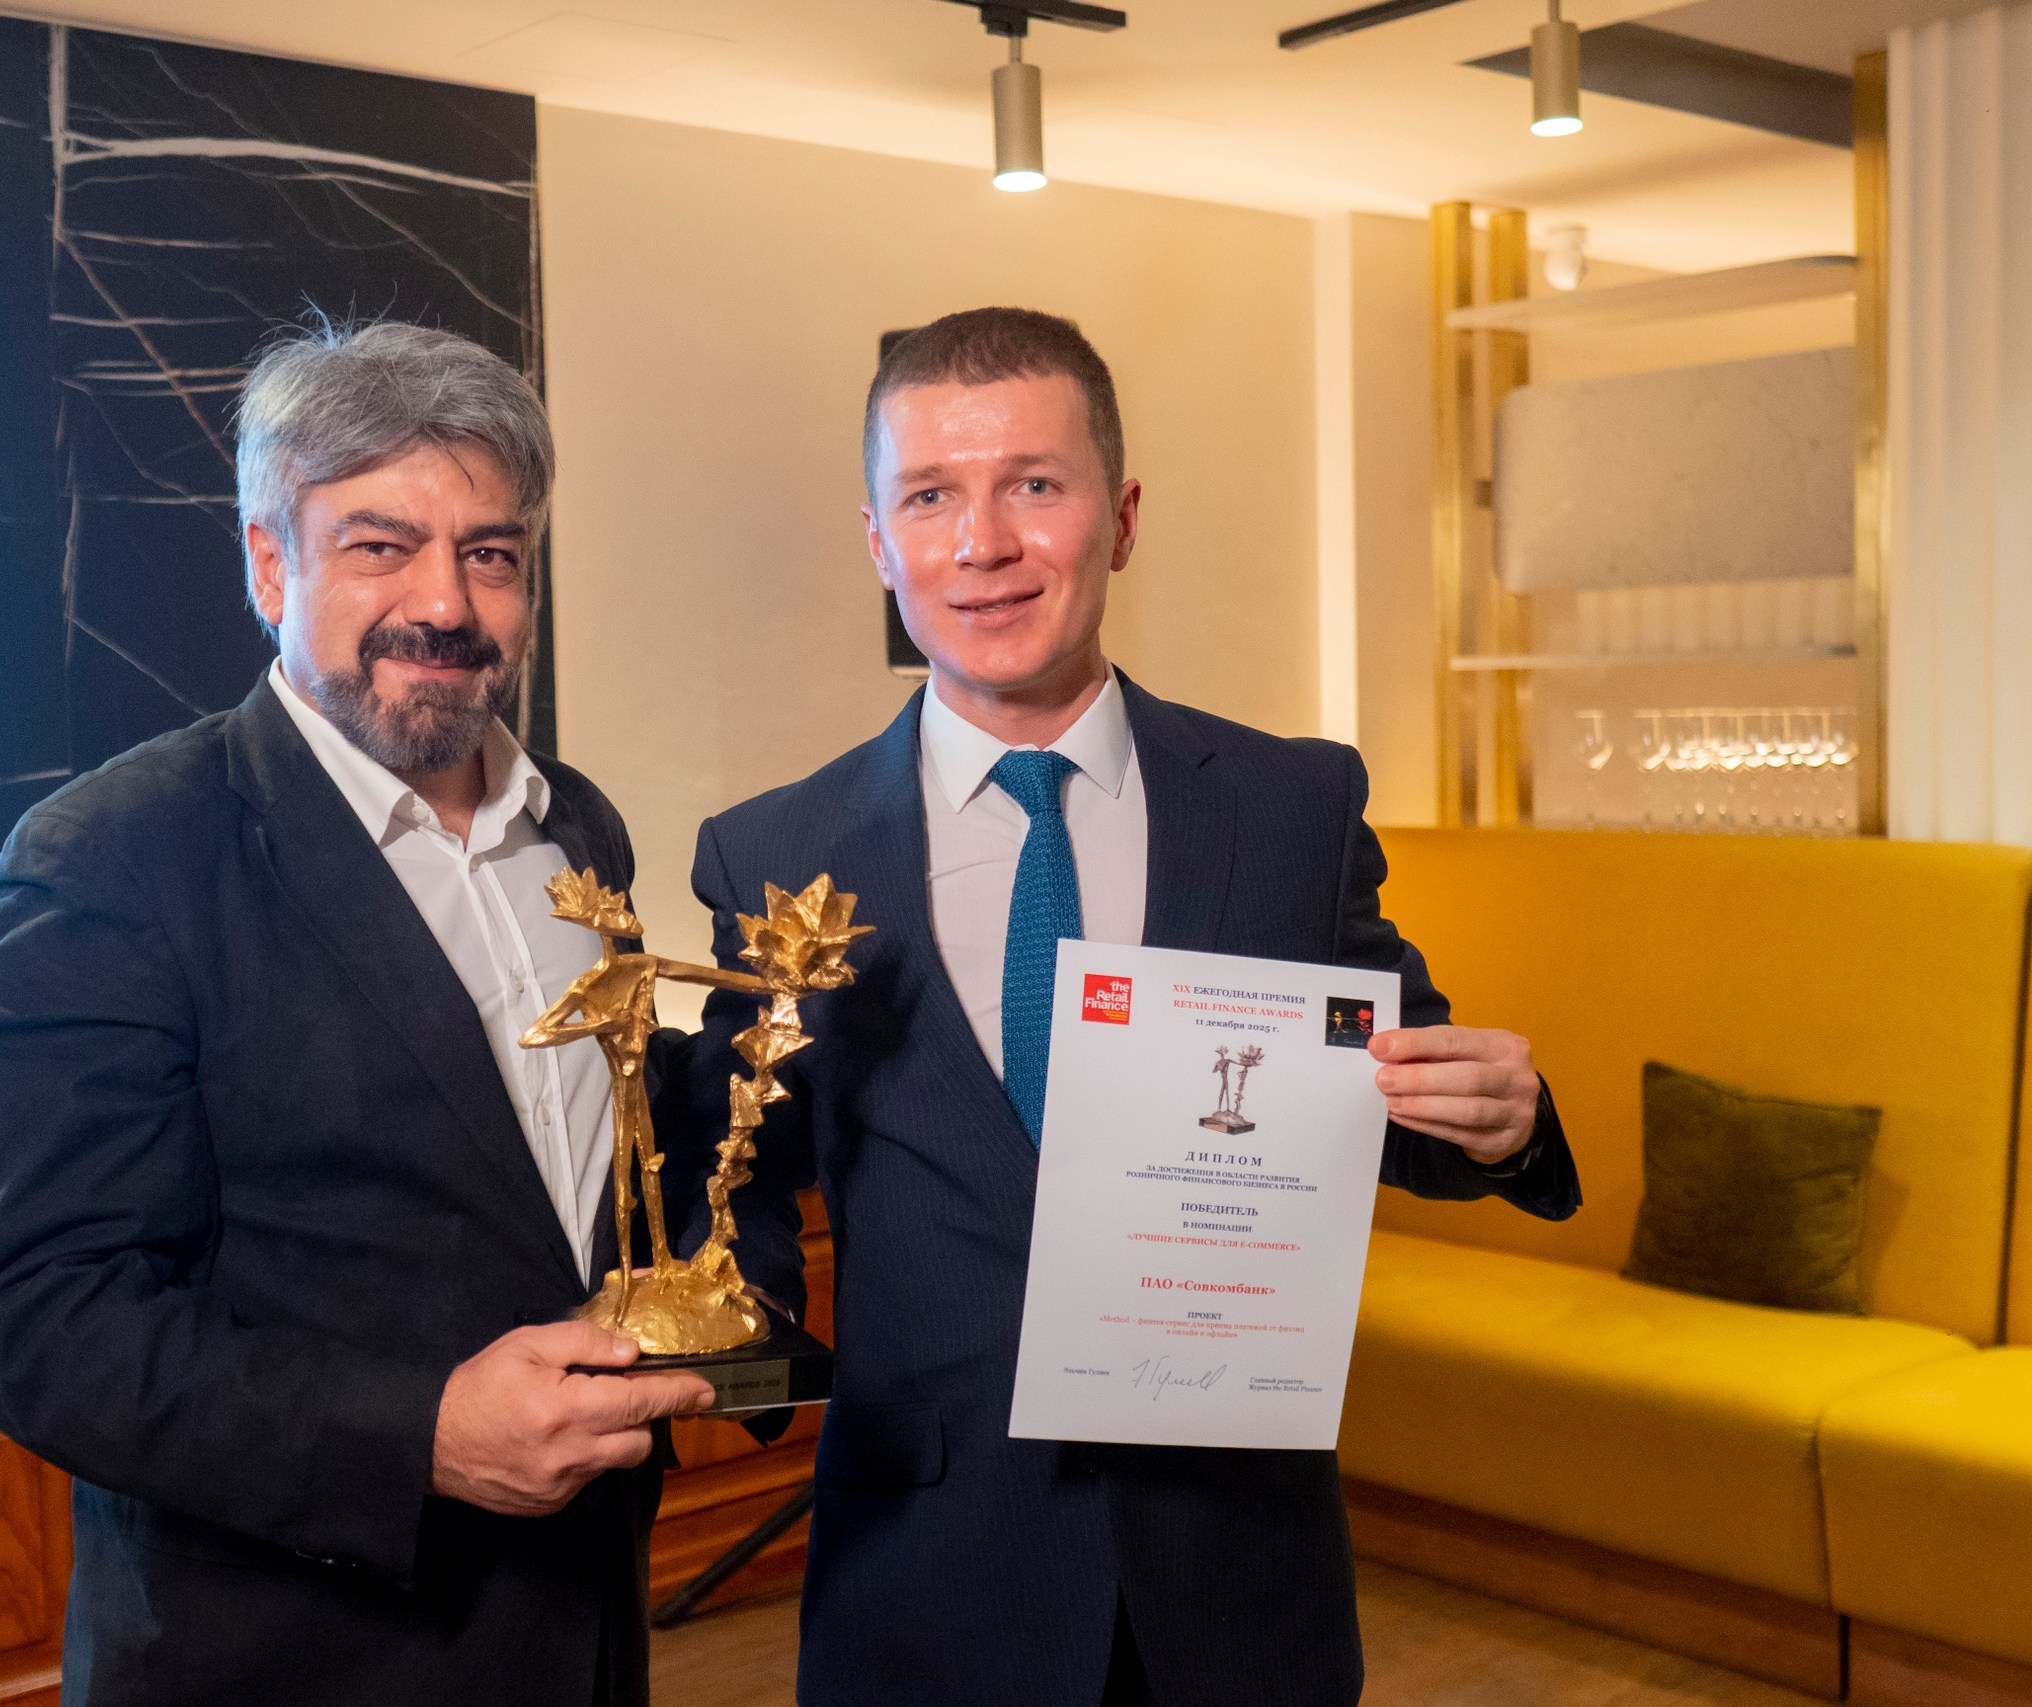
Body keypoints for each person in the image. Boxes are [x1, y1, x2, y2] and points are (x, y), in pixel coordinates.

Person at [669, 307, 1581, 1707]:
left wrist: (1502, 1126)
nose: (983, 543)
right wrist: (725, 1333)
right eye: (931, 497)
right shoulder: (775, 853)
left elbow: (1378, 1095)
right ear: (880, 543)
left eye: (1034, 484)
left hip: (1235, 1580)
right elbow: (745, 1163)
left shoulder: (1290, 807)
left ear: (1123, 517)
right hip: (927, 1580)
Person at [0, 320, 713, 1707]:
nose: (446, 603)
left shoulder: (574, 825)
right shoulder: (111, 859)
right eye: (379, 545)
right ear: (268, 562)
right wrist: (421, 1436)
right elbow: (40, 1323)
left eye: (490, 553)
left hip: (581, 1631)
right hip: (292, 1661)